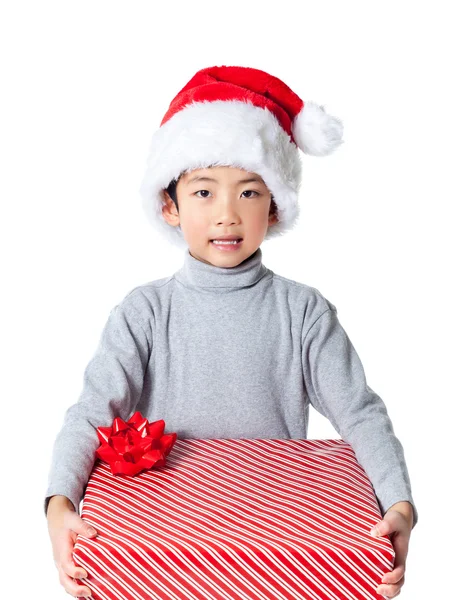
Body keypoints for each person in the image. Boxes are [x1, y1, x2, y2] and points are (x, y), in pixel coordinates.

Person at [45, 65, 418, 599]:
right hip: (161, 557)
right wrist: (60, 504)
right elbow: (91, 411)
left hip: (277, 558)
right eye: (203, 193)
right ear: (170, 205)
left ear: (275, 205)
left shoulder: (303, 312)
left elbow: (360, 413)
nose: (226, 215)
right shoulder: (144, 311)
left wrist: (399, 503)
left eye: (248, 193)